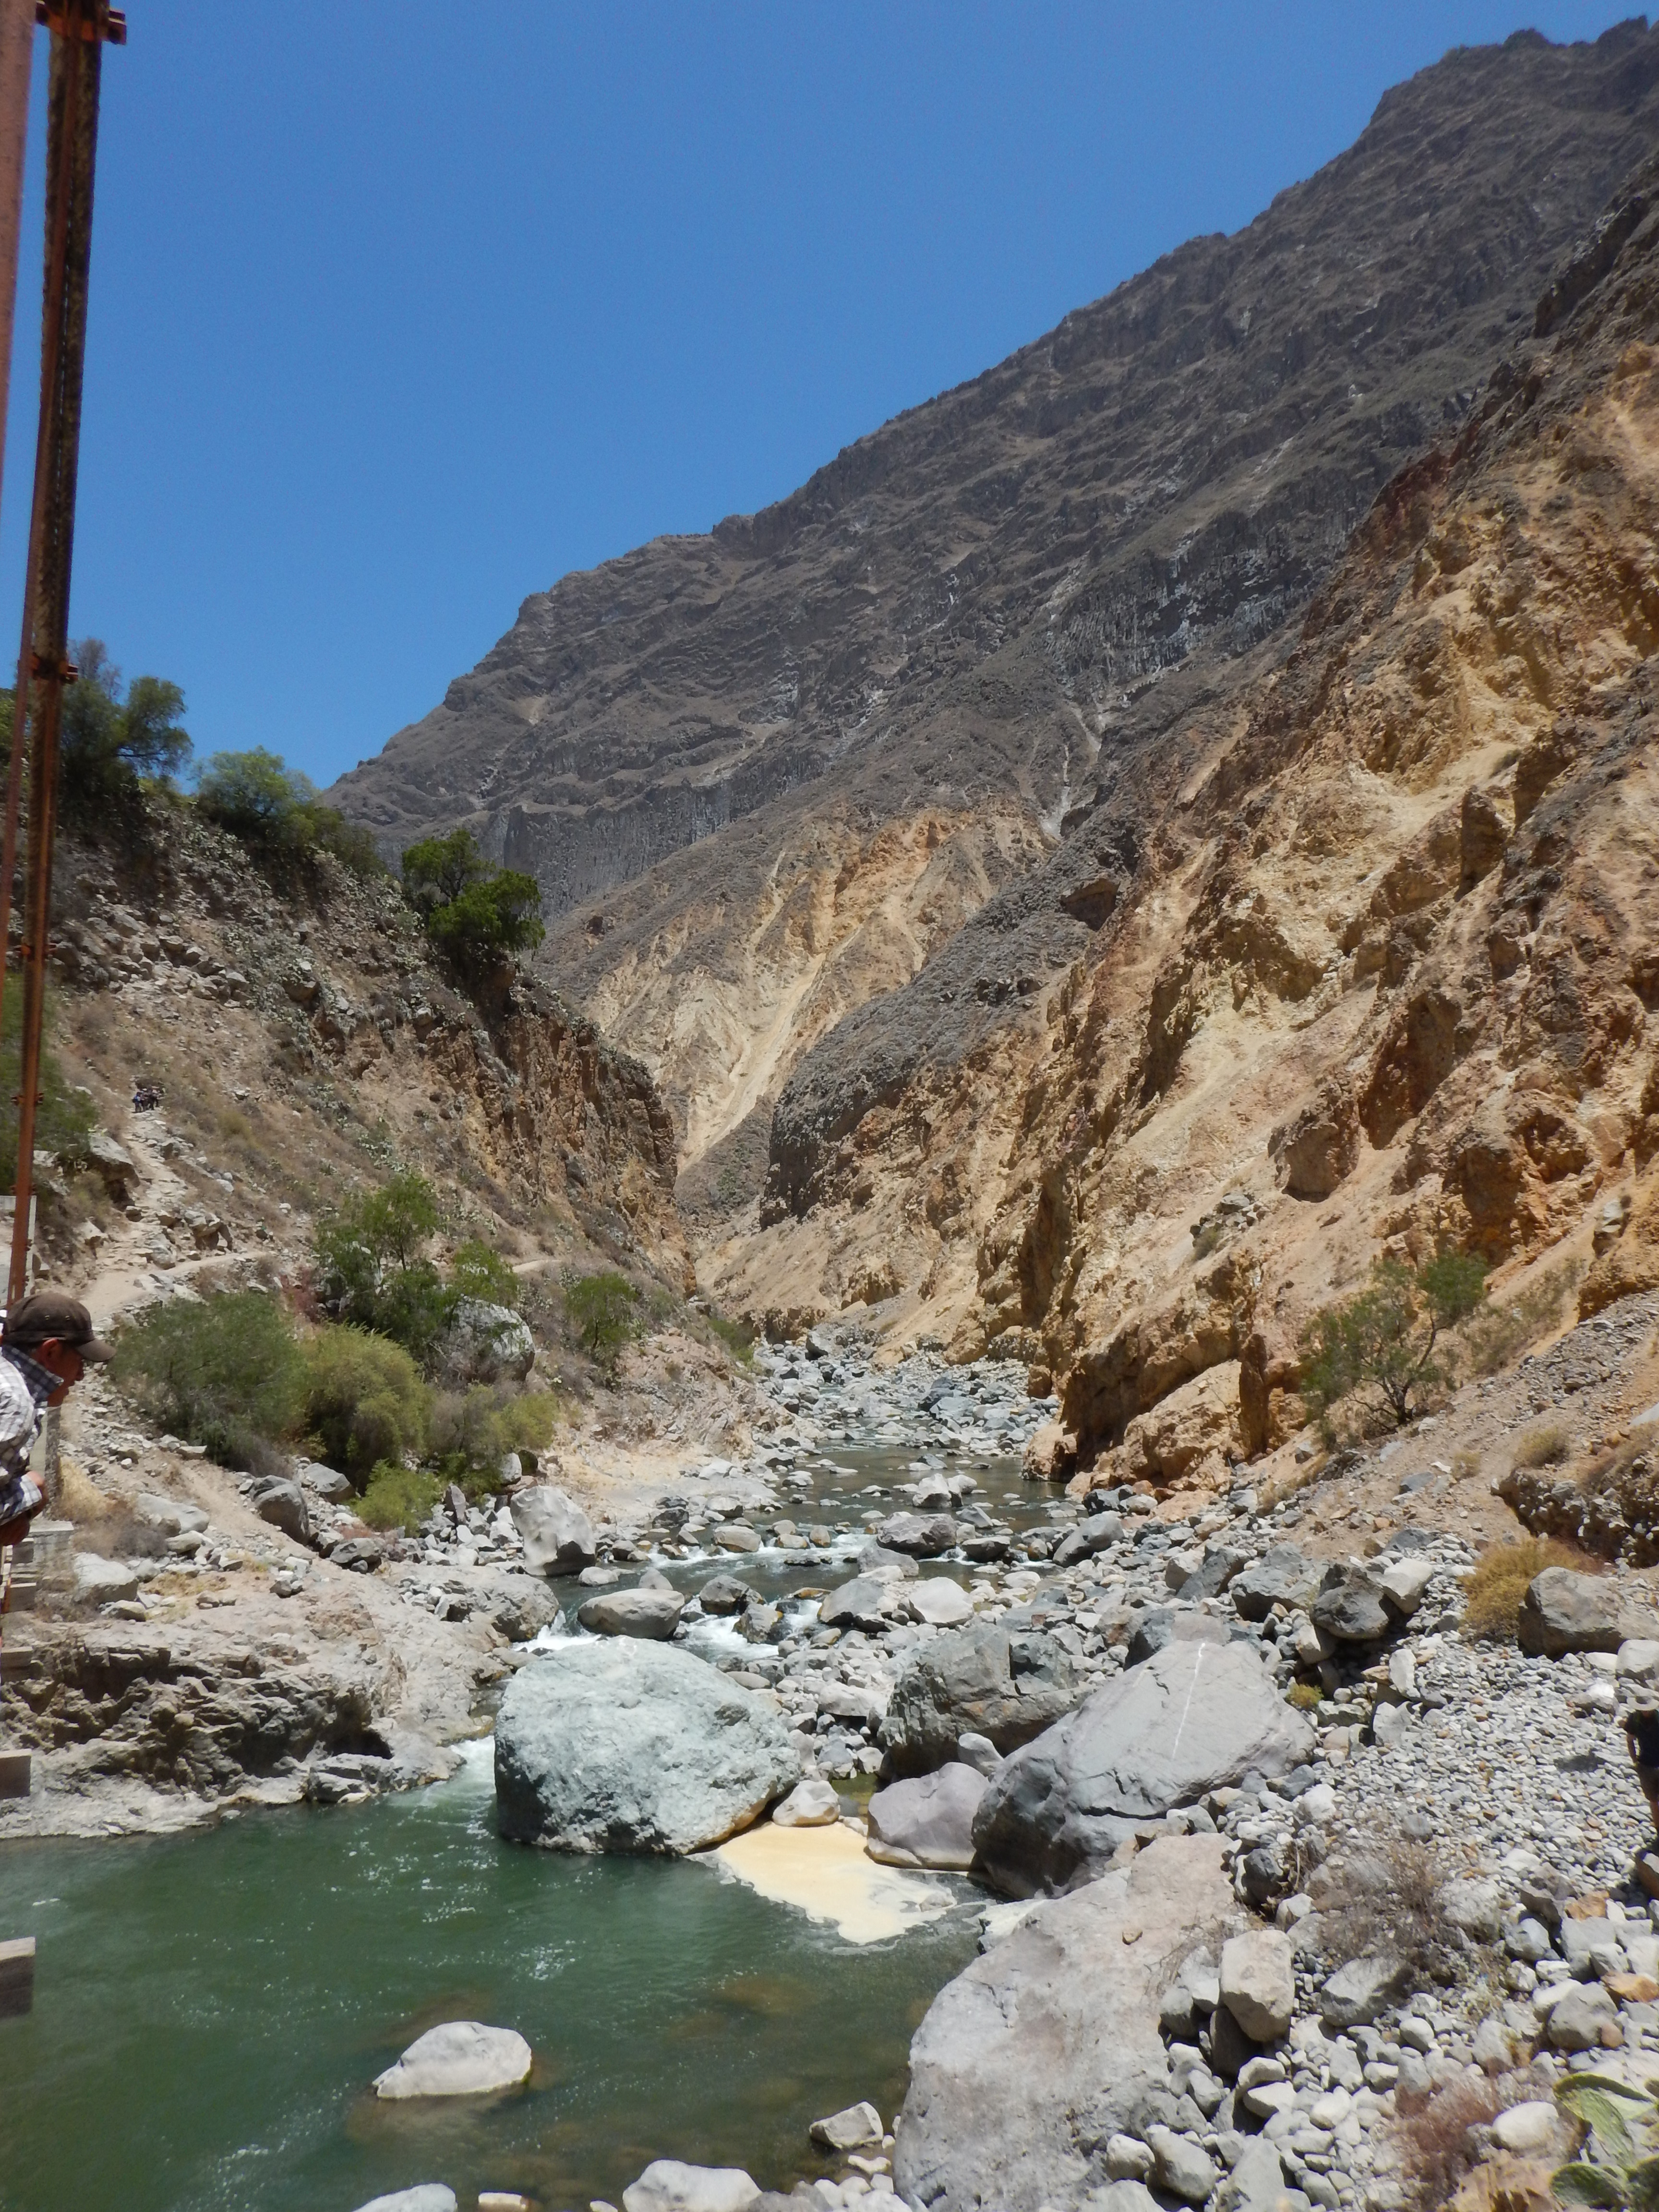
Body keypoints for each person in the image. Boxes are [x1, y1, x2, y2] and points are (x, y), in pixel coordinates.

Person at [0, 1291, 111, 1545]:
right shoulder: (15, 1406)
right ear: (50, 1352)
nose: (80, 1376)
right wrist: (30, 1497)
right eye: (80, 1361)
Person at [1625, 1699, 1659, 1845]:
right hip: (1645, 1766)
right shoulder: (1634, 1719)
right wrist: (1635, 1761)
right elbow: (1630, 1740)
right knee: (1653, 1801)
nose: (1646, 1712)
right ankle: (1658, 1832)